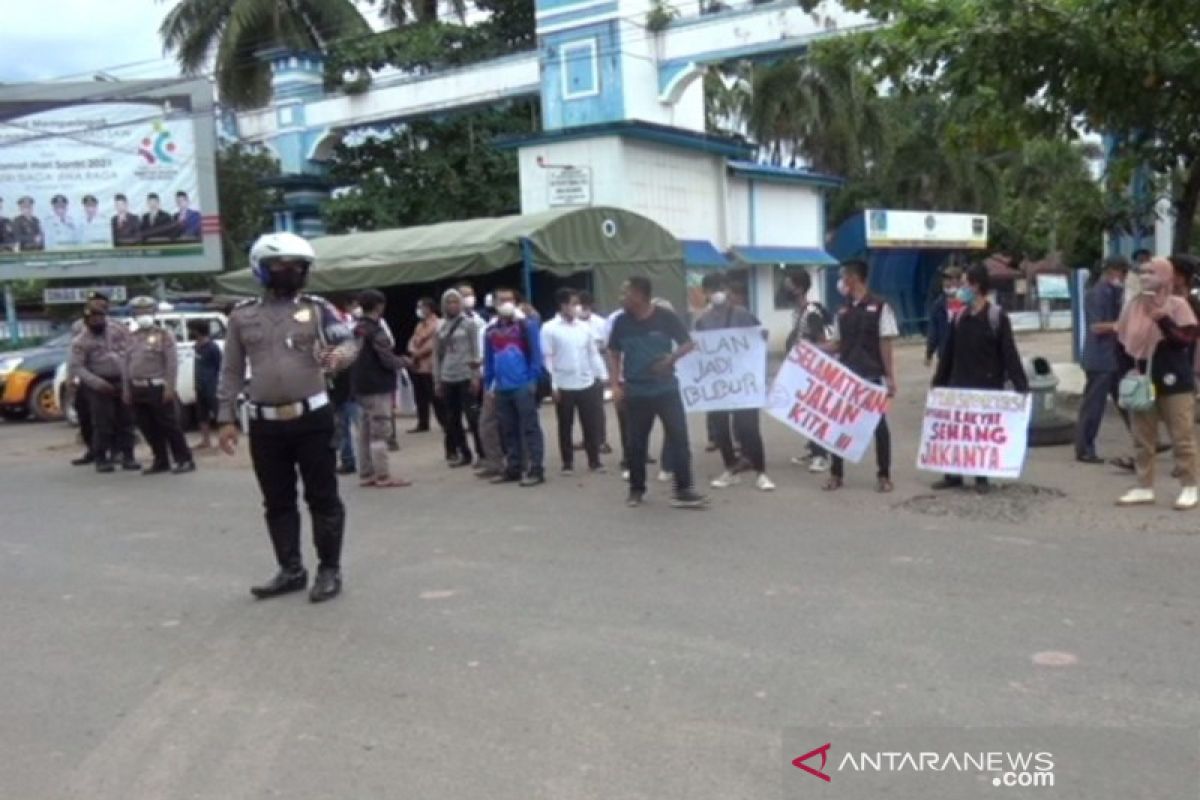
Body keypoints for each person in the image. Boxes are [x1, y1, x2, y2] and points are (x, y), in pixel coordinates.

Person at [216, 232, 359, 603]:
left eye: (298, 267)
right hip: (264, 423)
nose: (291, 272)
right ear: (261, 270)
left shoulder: (317, 309)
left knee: (322, 496)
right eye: (282, 266)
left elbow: (347, 342)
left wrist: (339, 357)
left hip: (312, 418)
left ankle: (330, 569)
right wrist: (225, 417)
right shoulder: (242, 315)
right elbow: (231, 370)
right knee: (277, 501)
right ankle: (290, 569)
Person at [607, 277, 706, 508]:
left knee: (679, 439)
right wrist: (615, 385)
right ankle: (636, 489)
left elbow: (688, 344)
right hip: (636, 391)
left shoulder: (665, 317)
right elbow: (614, 353)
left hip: (666, 389)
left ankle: (683, 490)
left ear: (640, 295)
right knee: (636, 444)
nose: (622, 298)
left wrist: (671, 358)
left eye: (626, 293)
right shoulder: (621, 322)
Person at [930, 263, 1029, 493]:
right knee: (958, 433)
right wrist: (939, 382)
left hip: (986, 385)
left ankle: (981, 478)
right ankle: (952, 474)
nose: (960, 288)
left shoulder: (996, 317)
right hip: (959, 383)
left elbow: (1009, 353)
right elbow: (949, 354)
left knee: (980, 435)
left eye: (964, 283)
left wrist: (1021, 385)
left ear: (975, 286)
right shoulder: (959, 317)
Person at [1114, 257, 1199, 510]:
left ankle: (1189, 487)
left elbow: (1185, 340)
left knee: (1181, 437)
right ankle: (1144, 486)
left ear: (1165, 275)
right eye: (1142, 272)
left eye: (1151, 272)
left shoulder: (1178, 304)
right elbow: (1121, 342)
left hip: (1174, 381)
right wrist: (1127, 373)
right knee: (1143, 437)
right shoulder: (1133, 306)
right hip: (1141, 380)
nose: (1144, 276)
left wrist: (1164, 319)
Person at [695, 274, 775, 492]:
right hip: (718, 384)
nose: (716, 293)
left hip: (743, 383)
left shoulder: (742, 314)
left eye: (719, 288)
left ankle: (761, 472)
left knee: (748, 428)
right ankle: (730, 468)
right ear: (706, 294)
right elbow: (698, 351)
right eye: (711, 289)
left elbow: (759, 340)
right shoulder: (703, 321)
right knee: (720, 429)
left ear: (727, 290)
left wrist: (763, 339)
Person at [824, 260, 898, 493]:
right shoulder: (843, 310)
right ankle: (836, 474)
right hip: (846, 375)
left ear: (854, 278)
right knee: (838, 424)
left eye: (844, 275)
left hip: (871, 375)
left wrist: (890, 377)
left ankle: (884, 475)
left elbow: (885, 342)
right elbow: (836, 345)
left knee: (879, 426)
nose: (842, 280)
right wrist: (812, 348)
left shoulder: (880, 306)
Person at [123, 296, 195, 475]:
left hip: (157, 387)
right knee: (147, 426)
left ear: (153, 313)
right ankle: (160, 459)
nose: (143, 315)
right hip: (137, 388)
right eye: (139, 312)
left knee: (169, 425)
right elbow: (125, 365)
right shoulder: (130, 337)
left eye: (146, 311)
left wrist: (169, 387)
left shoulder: (164, 335)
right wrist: (126, 389)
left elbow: (171, 364)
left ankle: (184, 459)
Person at [541, 288, 607, 475]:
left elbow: (592, 353)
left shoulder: (584, 328)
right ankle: (567, 463)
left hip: (586, 382)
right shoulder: (549, 328)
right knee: (565, 424)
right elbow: (548, 358)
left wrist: (602, 377)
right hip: (564, 384)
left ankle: (594, 461)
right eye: (573, 303)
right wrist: (553, 385)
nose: (577, 307)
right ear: (563, 305)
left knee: (591, 423)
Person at [484, 287, 546, 486]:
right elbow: (489, 361)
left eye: (509, 299)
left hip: (522, 384)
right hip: (502, 387)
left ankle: (536, 469)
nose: (506, 303)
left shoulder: (526, 326)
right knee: (508, 430)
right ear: (494, 304)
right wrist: (489, 386)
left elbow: (536, 355)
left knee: (530, 428)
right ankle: (514, 468)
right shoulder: (491, 331)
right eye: (501, 300)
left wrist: (532, 380)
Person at [69, 298, 139, 473]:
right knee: (102, 423)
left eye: (100, 317)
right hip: (98, 384)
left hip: (121, 380)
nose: (97, 321)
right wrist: (98, 383)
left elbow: (130, 351)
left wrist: (127, 380)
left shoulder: (117, 330)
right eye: (93, 319)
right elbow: (77, 367)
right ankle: (101, 458)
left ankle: (128, 456)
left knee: (126, 421)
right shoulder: (80, 340)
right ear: (86, 321)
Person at [352, 289, 410, 488]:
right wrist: (404, 361)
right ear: (379, 306)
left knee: (364, 432)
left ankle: (366, 473)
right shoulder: (376, 331)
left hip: (360, 385)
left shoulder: (356, 329)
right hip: (377, 385)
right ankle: (383, 475)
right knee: (380, 431)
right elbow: (386, 359)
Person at [1075, 256, 1131, 464]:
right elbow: (1096, 326)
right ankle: (1084, 448)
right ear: (1112, 271)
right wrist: (1119, 325)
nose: (1124, 277)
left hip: (1114, 357)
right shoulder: (1097, 293)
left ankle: (1145, 440)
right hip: (1100, 358)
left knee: (1128, 401)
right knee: (1094, 406)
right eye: (1122, 272)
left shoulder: (1114, 292)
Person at [782, 269, 833, 473]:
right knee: (807, 412)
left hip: (815, 371)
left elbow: (823, 341)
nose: (785, 290)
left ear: (800, 288)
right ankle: (814, 449)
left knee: (817, 412)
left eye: (789, 286)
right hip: (803, 370)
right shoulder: (798, 312)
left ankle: (822, 455)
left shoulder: (811, 313)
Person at [432, 288, 482, 468]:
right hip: (448, 376)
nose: (452, 305)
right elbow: (436, 355)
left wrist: (476, 376)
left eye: (455, 301)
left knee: (472, 416)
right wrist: (437, 380)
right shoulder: (439, 326)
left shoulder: (469, 324)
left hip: (466, 374)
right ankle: (463, 452)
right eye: (449, 302)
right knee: (452, 419)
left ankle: (482, 453)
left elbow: (476, 351)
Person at [68, 292, 110, 465]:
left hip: (106, 377)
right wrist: (71, 377)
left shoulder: (114, 324)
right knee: (84, 415)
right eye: (93, 303)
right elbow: (72, 354)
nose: (97, 306)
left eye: (100, 304)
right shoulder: (78, 325)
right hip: (84, 377)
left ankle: (114, 452)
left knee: (107, 418)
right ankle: (92, 450)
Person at [577, 291, 614, 455]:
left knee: (597, 407)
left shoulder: (601, 323)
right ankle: (587, 440)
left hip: (596, 371)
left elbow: (608, 346)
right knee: (582, 409)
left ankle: (600, 441)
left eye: (585, 306)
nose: (582, 309)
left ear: (591, 306)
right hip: (578, 372)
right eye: (579, 305)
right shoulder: (573, 323)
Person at [406, 297, 442, 434]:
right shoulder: (420, 325)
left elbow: (433, 345)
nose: (419, 310)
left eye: (422, 307)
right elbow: (412, 340)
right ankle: (422, 423)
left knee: (435, 397)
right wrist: (412, 351)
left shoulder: (438, 324)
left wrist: (417, 353)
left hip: (430, 365)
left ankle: (444, 422)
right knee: (420, 397)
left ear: (429, 308)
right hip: (417, 366)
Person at [190, 321, 221, 450]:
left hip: (212, 385)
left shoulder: (212, 347)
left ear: (198, 331)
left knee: (218, 412)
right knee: (202, 414)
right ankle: (205, 440)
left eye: (193, 330)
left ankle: (223, 440)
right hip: (200, 385)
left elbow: (220, 366)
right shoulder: (197, 347)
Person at [925, 266, 964, 367]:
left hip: (966, 355)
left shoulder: (968, 303)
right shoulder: (938, 305)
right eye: (945, 279)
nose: (947, 283)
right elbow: (933, 331)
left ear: (960, 282)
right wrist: (929, 353)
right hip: (945, 355)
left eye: (951, 279)